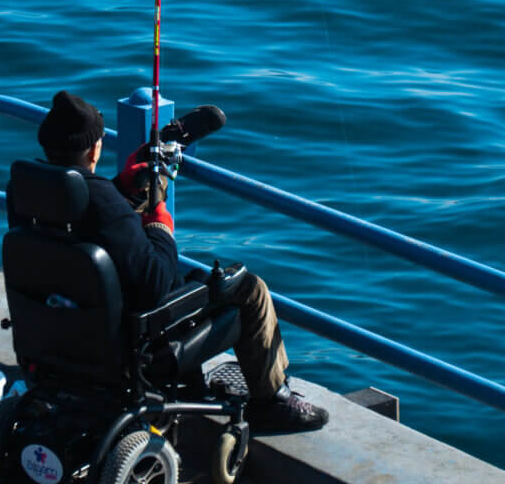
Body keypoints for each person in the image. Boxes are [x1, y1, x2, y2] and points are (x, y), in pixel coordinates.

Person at [32, 90, 328, 432]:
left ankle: (163, 154)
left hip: (63, 328)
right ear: (95, 147)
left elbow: (90, 219)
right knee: (249, 288)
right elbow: (157, 279)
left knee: (141, 215)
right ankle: (272, 399)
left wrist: (125, 187)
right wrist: (160, 226)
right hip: (134, 339)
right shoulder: (104, 205)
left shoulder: (31, 191)